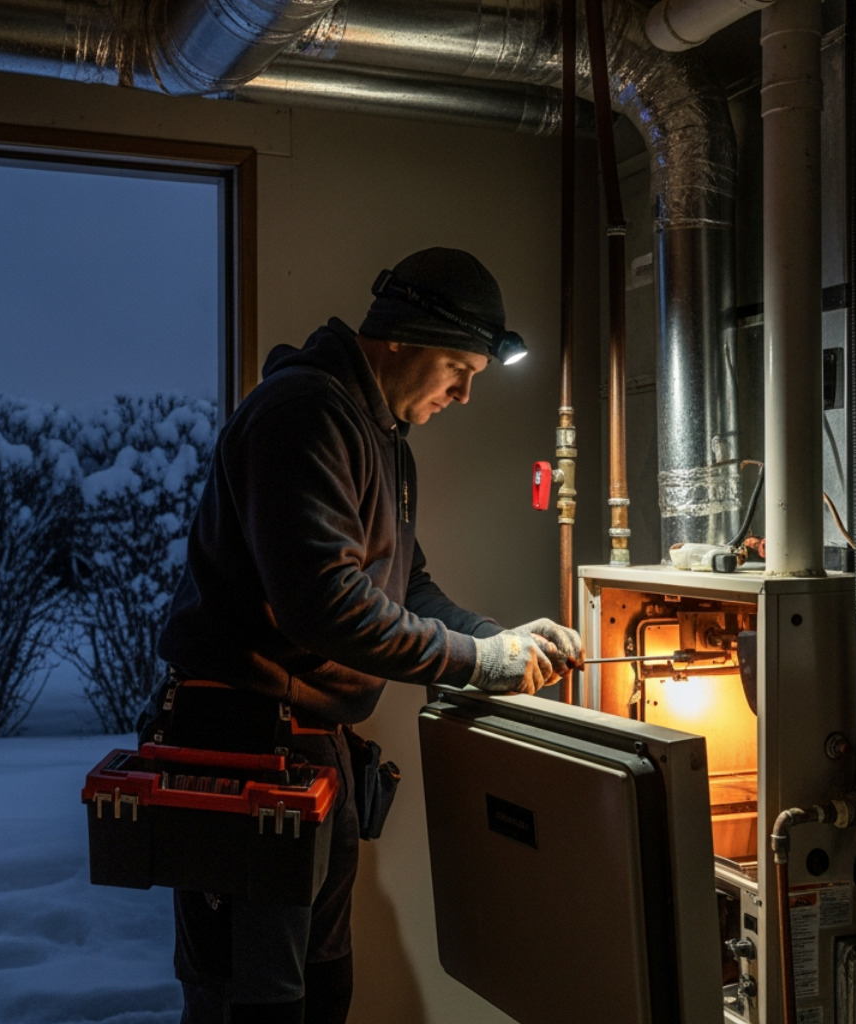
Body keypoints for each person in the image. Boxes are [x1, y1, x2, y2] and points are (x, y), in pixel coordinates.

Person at [155, 246, 583, 1024]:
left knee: (320, 987)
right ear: (402, 337)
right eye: (458, 369)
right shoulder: (302, 415)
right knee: (253, 1001)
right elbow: (326, 606)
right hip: (243, 748)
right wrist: (478, 662)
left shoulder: (381, 436)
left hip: (308, 748)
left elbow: (405, 585)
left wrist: (500, 641)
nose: (463, 394)